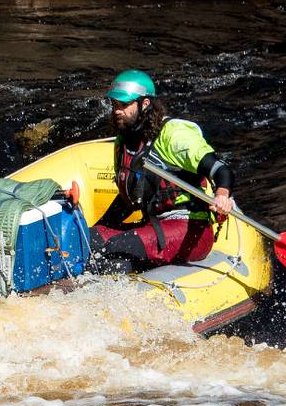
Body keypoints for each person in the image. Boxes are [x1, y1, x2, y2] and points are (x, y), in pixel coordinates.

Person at [89, 69, 235, 272]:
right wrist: (97, 230)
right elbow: (128, 200)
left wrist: (222, 195)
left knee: (117, 248)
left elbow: (220, 170)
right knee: (89, 240)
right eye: (114, 105)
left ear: (145, 103)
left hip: (190, 229)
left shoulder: (174, 134)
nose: (116, 111)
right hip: (155, 225)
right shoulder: (124, 141)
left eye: (124, 105)